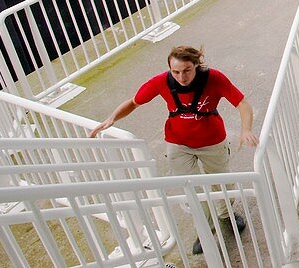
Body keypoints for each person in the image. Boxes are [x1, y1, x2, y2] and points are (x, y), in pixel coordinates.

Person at [89, 45, 257, 256]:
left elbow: (241, 103)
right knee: (192, 189)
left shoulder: (214, 78)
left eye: (186, 70)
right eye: (175, 71)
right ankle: (205, 232)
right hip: (178, 144)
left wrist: (246, 130)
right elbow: (134, 102)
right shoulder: (162, 81)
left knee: (221, 182)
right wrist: (112, 118)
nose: (181, 76)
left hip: (212, 141)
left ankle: (226, 214)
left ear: (197, 65)